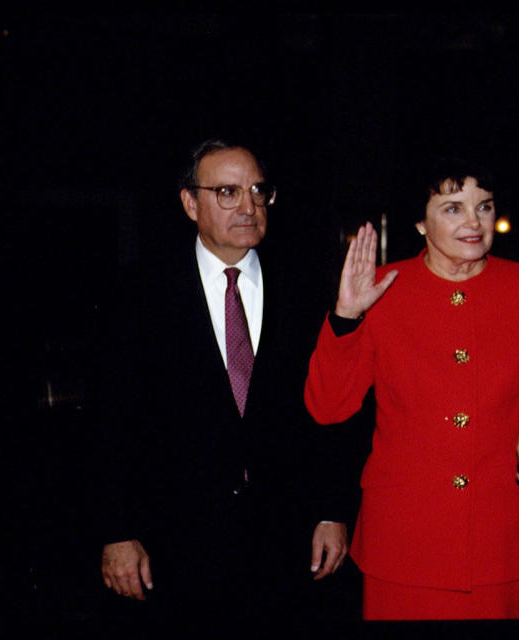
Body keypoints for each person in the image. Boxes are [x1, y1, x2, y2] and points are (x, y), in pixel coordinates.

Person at [96, 140, 352, 628]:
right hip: (173, 542)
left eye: (259, 190)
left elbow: (333, 412)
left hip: (287, 537)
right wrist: (117, 532)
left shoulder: (308, 288)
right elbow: (111, 421)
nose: (249, 207)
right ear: (190, 203)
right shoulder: (138, 293)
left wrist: (331, 510)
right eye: (228, 192)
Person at [303, 159, 519, 620]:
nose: (474, 222)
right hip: (404, 542)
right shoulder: (380, 288)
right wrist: (347, 316)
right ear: (419, 222)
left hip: (503, 541)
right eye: (453, 208)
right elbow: (329, 407)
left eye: (484, 206)